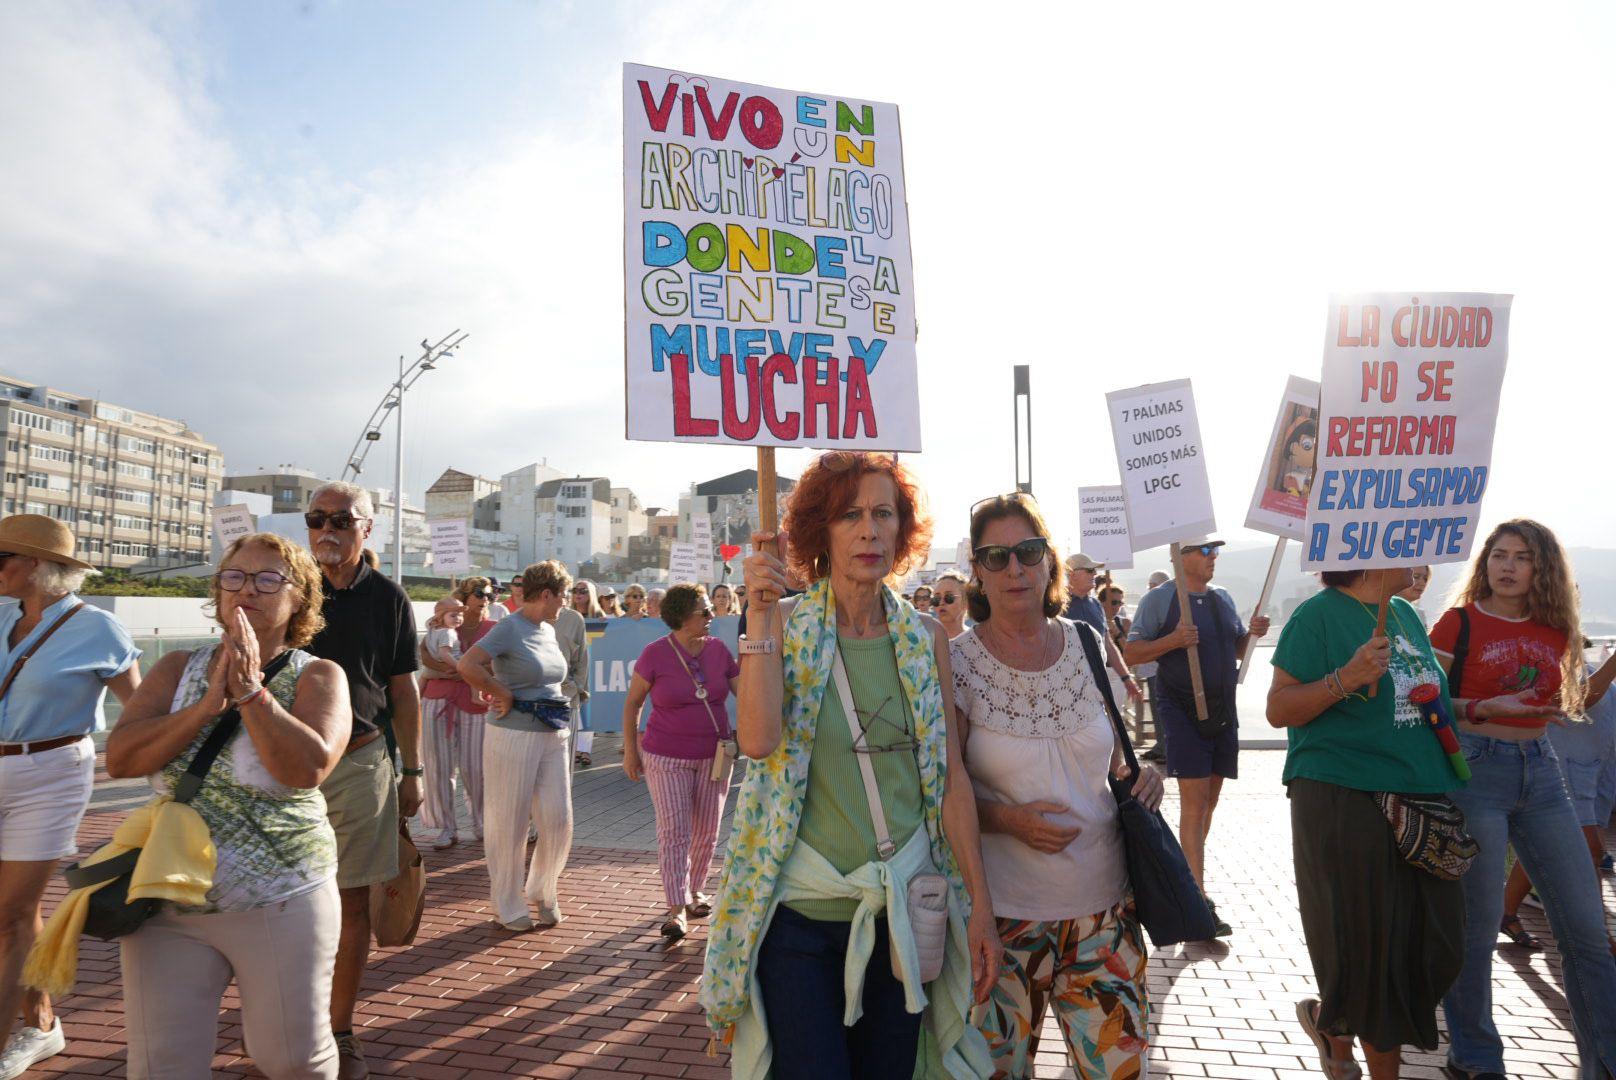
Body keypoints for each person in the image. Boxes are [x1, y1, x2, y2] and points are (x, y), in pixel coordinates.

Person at [702, 451, 997, 1080]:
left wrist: (982, 911)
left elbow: (950, 781)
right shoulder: (779, 622)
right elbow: (755, 742)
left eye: (883, 513)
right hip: (800, 924)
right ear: (820, 532)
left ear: (902, 529)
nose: (869, 530)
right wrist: (757, 615)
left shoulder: (926, 637)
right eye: (849, 515)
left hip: (905, 921)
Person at [106, 533, 350, 1079]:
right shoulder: (175, 669)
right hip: (169, 893)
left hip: (280, 891)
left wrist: (250, 693)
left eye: (269, 579)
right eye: (235, 577)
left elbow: (305, 770)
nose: (248, 589)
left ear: (299, 600)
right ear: (218, 592)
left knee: (291, 1059)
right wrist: (205, 706)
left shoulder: (319, 675)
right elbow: (122, 759)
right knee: (160, 1062)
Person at [953, 494, 1163, 1079]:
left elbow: (1118, 756)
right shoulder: (958, 664)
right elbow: (945, 790)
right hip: (1000, 924)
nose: (1015, 568)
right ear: (978, 570)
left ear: (1049, 561)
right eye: (996, 556)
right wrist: (1007, 819)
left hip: (1104, 917)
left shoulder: (1088, 643)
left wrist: (1144, 774)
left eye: (1028, 551)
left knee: (1118, 1072)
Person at [1428, 520, 1616, 1080]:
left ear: (1542, 569)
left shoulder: (1557, 628)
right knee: (1476, 930)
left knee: (1585, 930)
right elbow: (1427, 704)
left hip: (1543, 771)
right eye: (1499, 555)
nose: (1507, 567)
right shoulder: (1457, 622)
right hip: (1474, 770)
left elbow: (1574, 700)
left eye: (1522, 558)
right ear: (1484, 563)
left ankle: (1604, 1062)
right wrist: (1486, 709)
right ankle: (1477, 1059)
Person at [1267, 566, 1464, 1080]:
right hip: (1343, 793)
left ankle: (1331, 1020)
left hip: (1420, 798)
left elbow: (1420, 701)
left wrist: (1482, 708)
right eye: (1412, 546)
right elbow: (1278, 708)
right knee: (1379, 953)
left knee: (1437, 944)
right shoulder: (1318, 616)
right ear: (1376, 552)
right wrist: (1346, 678)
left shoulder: (1403, 615)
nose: (1424, 563)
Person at [0, 516, 140, 1078]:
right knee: (18, 913)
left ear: (35, 563)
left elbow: (141, 711)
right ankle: (40, 1022)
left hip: (52, 770)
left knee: (7, 913)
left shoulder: (99, 629)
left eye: (1, 556)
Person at [302, 481, 422, 1079]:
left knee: (351, 905)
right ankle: (289, 1019)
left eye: (342, 521)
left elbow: (402, 688)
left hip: (361, 762)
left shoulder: (390, 598)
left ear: (367, 529)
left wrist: (415, 770)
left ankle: (340, 1030)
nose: (328, 530)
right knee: (276, 900)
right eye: (316, 518)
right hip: (286, 768)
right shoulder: (289, 590)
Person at [1123, 535, 1269, 937]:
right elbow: (1131, 652)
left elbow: (1237, 648)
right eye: (1206, 551)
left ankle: (1186, 876)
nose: (1213, 558)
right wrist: (1173, 640)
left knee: (1210, 801)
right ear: (1180, 555)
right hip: (1182, 707)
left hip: (1223, 708)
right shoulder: (1161, 600)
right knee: (1194, 800)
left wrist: (1253, 633)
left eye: (1216, 551)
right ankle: (1197, 899)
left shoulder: (1222, 597)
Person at [458, 561, 576, 931]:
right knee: (508, 822)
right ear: (547, 594)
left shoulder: (547, 629)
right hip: (512, 733)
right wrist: (500, 691)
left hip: (553, 732)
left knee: (559, 821)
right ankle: (506, 902)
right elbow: (469, 663)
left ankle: (543, 889)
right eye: (563, 596)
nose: (566, 603)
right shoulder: (510, 626)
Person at [621, 584, 740, 943]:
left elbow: (745, 692)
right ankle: (675, 908)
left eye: (710, 610)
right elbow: (632, 704)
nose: (711, 616)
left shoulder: (719, 650)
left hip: (715, 755)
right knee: (675, 832)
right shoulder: (655, 653)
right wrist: (630, 750)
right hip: (666, 755)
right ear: (681, 617)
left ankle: (695, 890)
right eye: (703, 611)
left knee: (708, 830)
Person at [1499, 648, 1616, 951]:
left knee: (1541, 845)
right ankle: (1598, 938)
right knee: (1590, 850)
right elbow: (1580, 699)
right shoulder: (1539, 664)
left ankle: (1505, 909)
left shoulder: (1581, 664)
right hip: (1564, 767)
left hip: (1592, 768)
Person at [417, 582, 496, 849]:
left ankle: (482, 821)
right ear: (462, 598)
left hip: (477, 703)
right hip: (438, 700)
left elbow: (496, 664)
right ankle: (445, 827)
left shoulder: (494, 629)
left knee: (477, 767)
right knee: (438, 766)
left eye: (489, 595)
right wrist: (461, 669)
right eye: (479, 594)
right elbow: (425, 658)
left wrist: (466, 670)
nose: (485, 599)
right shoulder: (442, 626)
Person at [568, 580, 604, 768]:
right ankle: (574, 749)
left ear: (590, 594)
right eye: (575, 590)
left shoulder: (599, 616)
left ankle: (586, 750)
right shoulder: (568, 615)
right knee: (576, 708)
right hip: (574, 667)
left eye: (583, 591)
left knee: (588, 709)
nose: (578, 593)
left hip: (595, 667)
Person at [1060, 554, 1106, 635]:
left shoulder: (1096, 604)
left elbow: (1107, 642)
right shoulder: (1057, 605)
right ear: (1072, 574)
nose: (1095, 573)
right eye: (1090, 570)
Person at [932, 569, 969, 639]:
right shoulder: (925, 641)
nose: (941, 603)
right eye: (936, 599)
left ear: (966, 602)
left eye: (949, 597)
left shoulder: (979, 641)